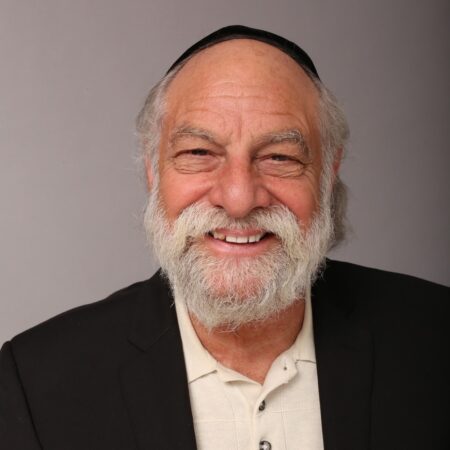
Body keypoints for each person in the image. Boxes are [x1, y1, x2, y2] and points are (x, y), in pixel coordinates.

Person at [0, 25, 448, 450]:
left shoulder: (435, 337)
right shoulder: (37, 383)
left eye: (279, 157)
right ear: (153, 172)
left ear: (328, 175)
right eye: (199, 152)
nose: (238, 200)